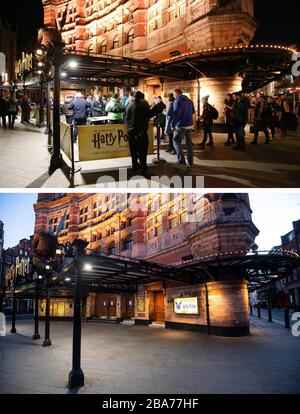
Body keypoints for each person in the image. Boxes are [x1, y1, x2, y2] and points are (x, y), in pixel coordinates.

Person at [126, 91, 152, 175]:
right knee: (142, 151)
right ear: (141, 98)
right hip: (139, 132)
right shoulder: (140, 106)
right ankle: (143, 169)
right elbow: (147, 116)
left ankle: (135, 167)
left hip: (130, 131)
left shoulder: (129, 105)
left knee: (133, 151)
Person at [171, 88, 195, 167]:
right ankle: (190, 162)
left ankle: (181, 161)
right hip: (190, 124)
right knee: (188, 143)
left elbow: (176, 114)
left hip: (181, 125)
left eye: (174, 94)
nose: (174, 96)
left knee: (176, 141)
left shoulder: (177, 101)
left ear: (177, 93)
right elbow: (193, 111)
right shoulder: (189, 100)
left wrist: (172, 125)